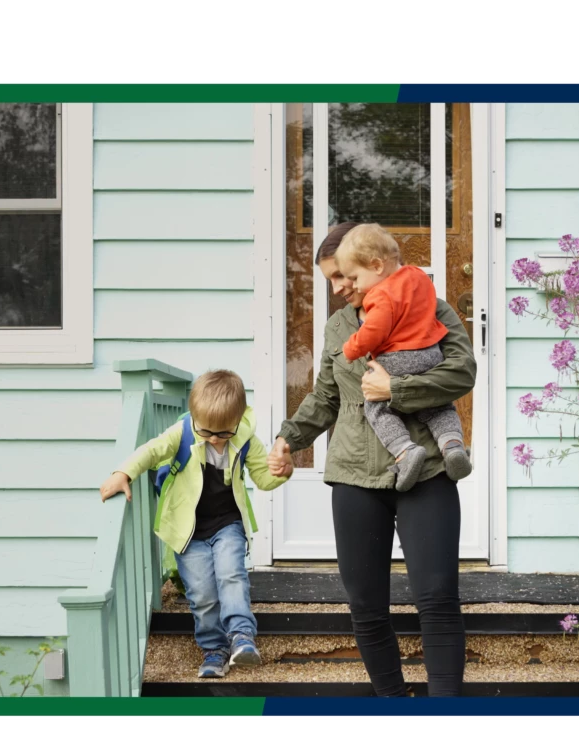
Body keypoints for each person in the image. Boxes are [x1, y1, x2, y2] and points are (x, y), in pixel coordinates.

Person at [268, 222, 476, 696]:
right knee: (365, 605)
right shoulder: (338, 326)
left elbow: (462, 372)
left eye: (342, 276)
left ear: (366, 265)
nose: (340, 289)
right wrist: (288, 438)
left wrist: (396, 389)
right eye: (331, 281)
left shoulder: (430, 307)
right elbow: (325, 397)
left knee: (438, 597)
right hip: (355, 476)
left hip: (428, 472)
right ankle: (392, 704)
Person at [99, 369, 290, 678]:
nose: (215, 439)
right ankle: (214, 649)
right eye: (207, 432)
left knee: (231, 576)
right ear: (194, 417)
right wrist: (123, 473)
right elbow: (150, 452)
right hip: (188, 530)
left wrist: (283, 472)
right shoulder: (183, 432)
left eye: (223, 433)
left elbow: (264, 479)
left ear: (238, 420)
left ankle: (241, 636)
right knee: (201, 592)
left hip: (228, 523)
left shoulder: (245, 440)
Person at [335, 223, 472, 491]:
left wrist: (352, 348)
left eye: (355, 277)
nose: (353, 285)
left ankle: (405, 451)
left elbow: (375, 330)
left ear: (376, 266)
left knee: (375, 405)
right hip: (431, 354)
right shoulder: (419, 277)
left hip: (398, 358)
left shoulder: (380, 294)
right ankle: (452, 445)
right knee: (439, 407)